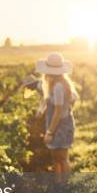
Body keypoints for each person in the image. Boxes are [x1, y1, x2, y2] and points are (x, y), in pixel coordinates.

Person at [25, 53, 78, 184]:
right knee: (58, 158)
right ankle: (60, 184)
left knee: (61, 157)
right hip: (60, 124)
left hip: (60, 126)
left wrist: (50, 132)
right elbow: (47, 93)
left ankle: (63, 185)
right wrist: (34, 84)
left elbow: (58, 112)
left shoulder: (59, 87)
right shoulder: (58, 83)